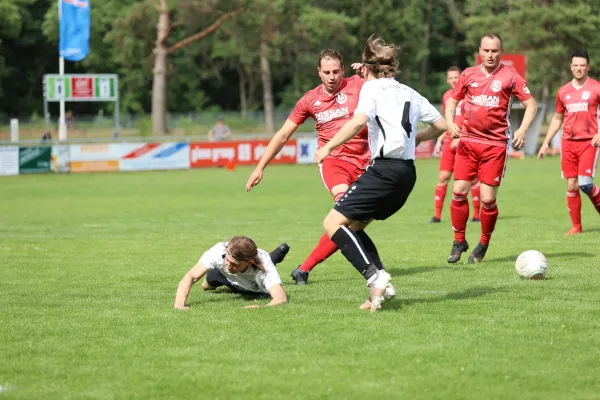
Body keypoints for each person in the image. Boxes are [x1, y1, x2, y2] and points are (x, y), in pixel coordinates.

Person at [314, 36, 447, 312]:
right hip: (407, 174)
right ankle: (382, 283)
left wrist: (327, 147)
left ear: (366, 65)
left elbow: (358, 121)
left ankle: (375, 277)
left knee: (332, 223)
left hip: (384, 169)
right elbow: (442, 124)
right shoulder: (410, 92)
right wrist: (418, 138)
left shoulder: (371, 89)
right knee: (354, 227)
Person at [246, 49, 371, 286]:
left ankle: (303, 269)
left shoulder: (361, 84)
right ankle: (373, 271)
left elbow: (392, 87)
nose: (332, 77)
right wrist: (260, 167)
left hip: (367, 161)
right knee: (348, 211)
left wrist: (372, 70)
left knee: (353, 225)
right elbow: (283, 135)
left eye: (336, 71)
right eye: (327, 72)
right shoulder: (310, 100)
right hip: (334, 162)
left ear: (343, 69)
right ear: (319, 73)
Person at [445, 33, 537, 264]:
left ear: (501, 51)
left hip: (495, 145)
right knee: (458, 192)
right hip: (468, 141)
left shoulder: (510, 76)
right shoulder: (468, 74)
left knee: (487, 198)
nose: (490, 54)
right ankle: (459, 241)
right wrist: (449, 123)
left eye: (494, 51)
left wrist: (522, 130)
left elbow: (531, 104)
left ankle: (483, 243)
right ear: (480, 51)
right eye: (486, 50)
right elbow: (452, 102)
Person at [538, 50, 600, 234]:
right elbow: (557, 118)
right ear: (571, 67)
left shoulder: (596, 88)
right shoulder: (563, 91)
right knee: (572, 184)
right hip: (568, 143)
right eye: (576, 65)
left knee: (585, 184)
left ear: (588, 67)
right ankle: (577, 227)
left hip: (589, 142)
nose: (579, 68)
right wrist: (546, 142)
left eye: (583, 65)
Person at [174, 237, 290, 309]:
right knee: (205, 286)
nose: (228, 266)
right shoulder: (219, 251)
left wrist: (261, 307)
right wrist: (179, 304)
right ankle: (275, 255)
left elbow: (280, 297)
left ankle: (276, 255)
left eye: (235, 264)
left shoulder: (263, 264)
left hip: (255, 286)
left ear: (249, 262)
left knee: (269, 261)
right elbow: (190, 276)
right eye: (227, 260)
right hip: (227, 278)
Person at [430, 66, 481, 224]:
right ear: (447, 80)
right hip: (448, 141)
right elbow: (446, 121)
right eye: (450, 78)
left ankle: (476, 215)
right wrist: (439, 141)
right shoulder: (447, 96)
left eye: (456, 77)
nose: (453, 80)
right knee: (443, 177)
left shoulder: (471, 95)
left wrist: (463, 138)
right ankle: (437, 216)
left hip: (465, 142)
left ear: (461, 78)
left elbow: (476, 119)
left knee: (471, 179)